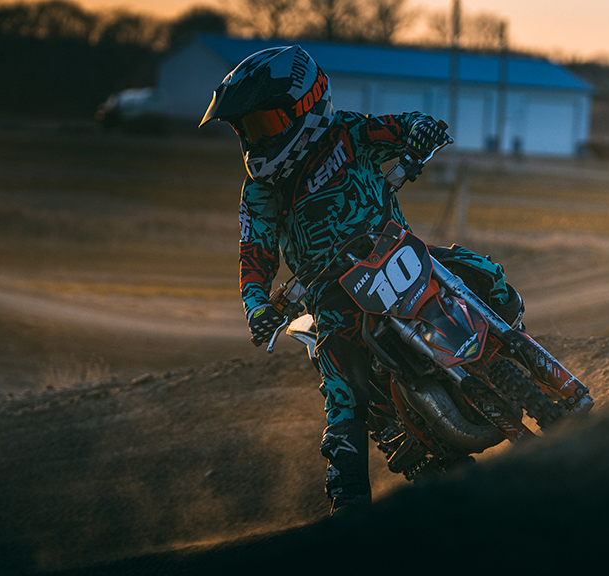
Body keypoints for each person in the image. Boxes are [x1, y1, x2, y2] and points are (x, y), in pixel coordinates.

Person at [200, 45, 523, 516]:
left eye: (265, 124)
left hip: (398, 253)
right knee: (341, 391)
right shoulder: (261, 192)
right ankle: (349, 512)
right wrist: (257, 306)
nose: (256, 138)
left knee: (482, 273)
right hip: (331, 298)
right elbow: (255, 256)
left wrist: (421, 132)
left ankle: (524, 357)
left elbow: (402, 125)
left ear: (305, 106)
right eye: (246, 128)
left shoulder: (348, 131)